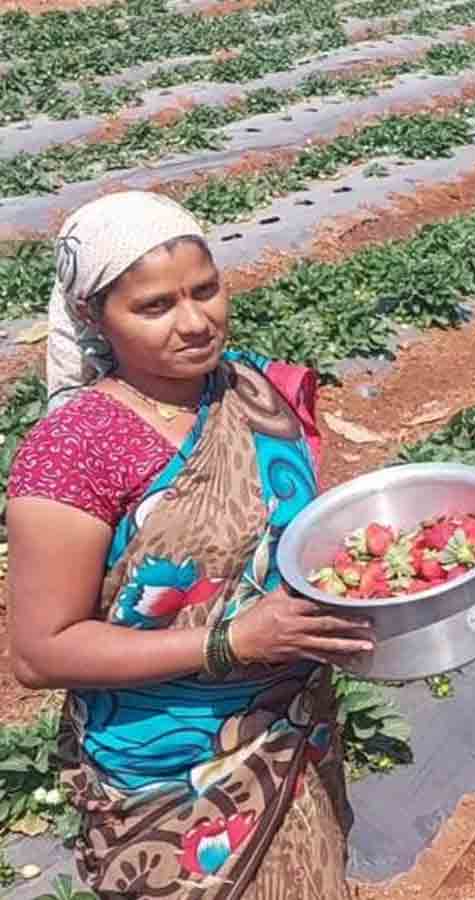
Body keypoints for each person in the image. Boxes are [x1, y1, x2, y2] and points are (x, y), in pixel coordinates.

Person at [5, 191, 375, 900]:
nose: (196, 321)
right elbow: (39, 652)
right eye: (155, 306)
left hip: (292, 731)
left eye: (205, 290)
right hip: (169, 781)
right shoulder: (77, 448)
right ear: (93, 316)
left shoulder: (251, 389)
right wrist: (230, 642)